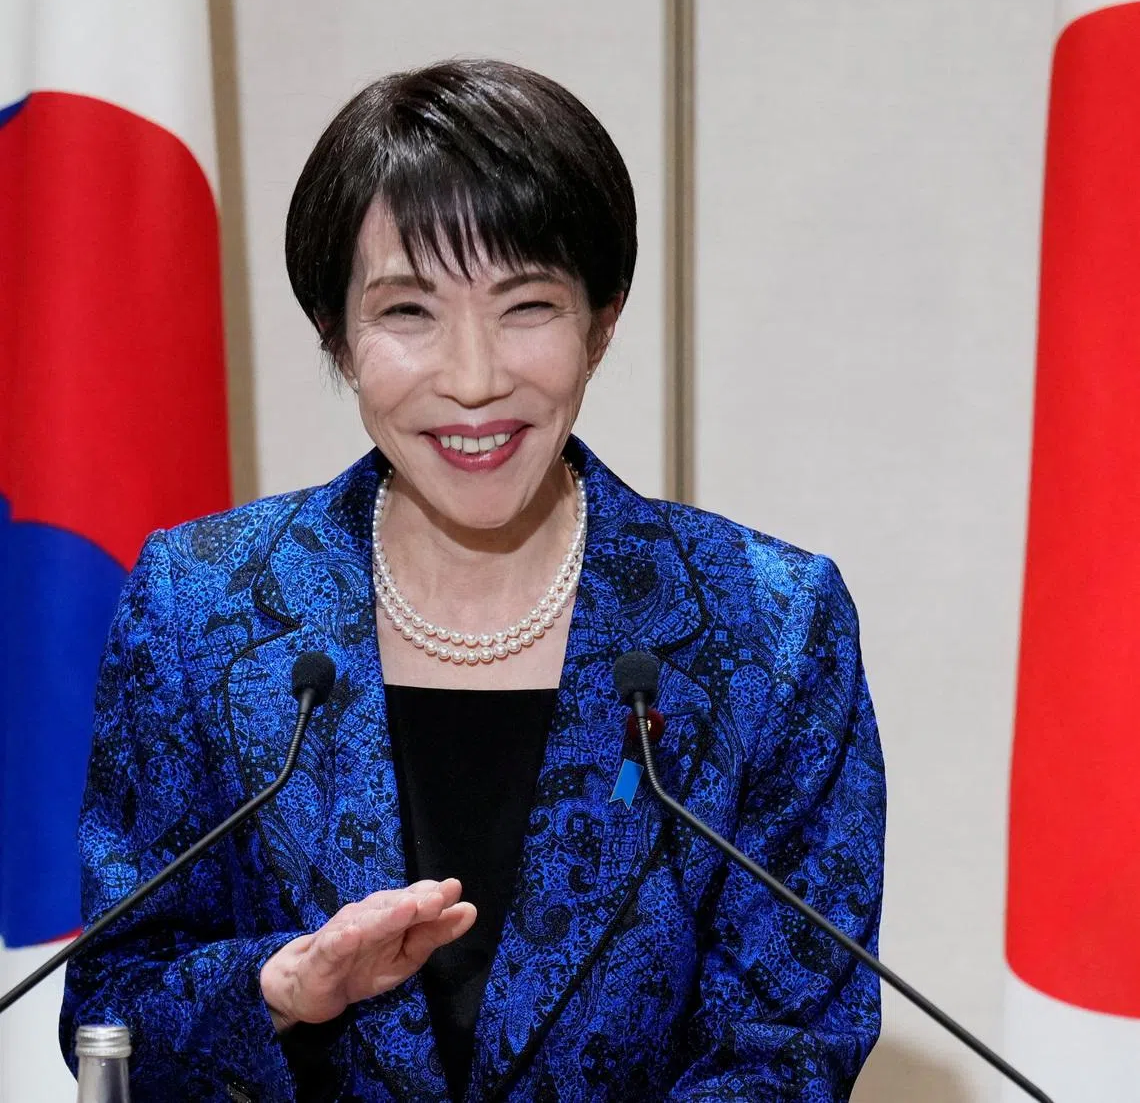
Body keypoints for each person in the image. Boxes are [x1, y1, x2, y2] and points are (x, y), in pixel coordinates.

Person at [60, 59, 886, 1102]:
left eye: (526, 305)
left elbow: (793, 1045)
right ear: (338, 336)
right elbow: (108, 1010)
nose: (474, 376)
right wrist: (281, 986)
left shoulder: (767, 626)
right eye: (408, 312)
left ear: (603, 321)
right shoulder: (203, 606)